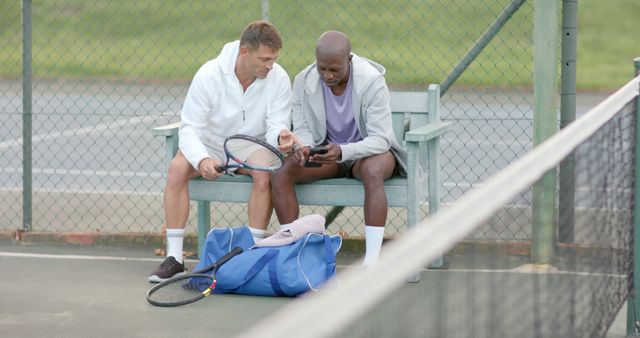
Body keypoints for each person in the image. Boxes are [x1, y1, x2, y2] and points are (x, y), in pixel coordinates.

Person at [149, 21, 298, 283]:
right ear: (244, 52)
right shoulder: (209, 74)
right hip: (210, 144)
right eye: (264, 59)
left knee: (265, 174)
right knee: (177, 168)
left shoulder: (279, 77)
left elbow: (276, 124)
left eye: (273, 59)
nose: (270, 66)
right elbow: (190, 128)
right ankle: (175, 258)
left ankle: (252, 253)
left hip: (251, 145)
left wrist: (281, 135)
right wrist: (202, 159)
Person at [272, 31, 406, 267]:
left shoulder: (372, 81)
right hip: (328, 156)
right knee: (283, 172)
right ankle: (292, 255)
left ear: (349, 61)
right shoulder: (304, 80)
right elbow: (302, 127)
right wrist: (304, 147)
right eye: (322, 68)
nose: (327, 75)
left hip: (366, 155)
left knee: (373, 170)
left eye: (334, 69)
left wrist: (345, 151)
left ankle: (371, 261)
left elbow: (381, 139)